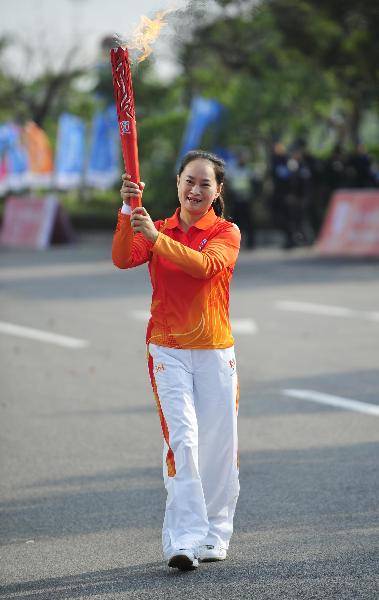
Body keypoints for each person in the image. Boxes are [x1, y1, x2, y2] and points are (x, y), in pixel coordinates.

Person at [112, 150, 241, 571]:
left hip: (216, 353)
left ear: (217, 191)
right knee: (183, 442)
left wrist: (155, 237)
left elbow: (205, 267)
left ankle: (215, 534)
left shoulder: (226, 232)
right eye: (190, 180)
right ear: (178, 183)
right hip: (167, 349)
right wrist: (129, 209)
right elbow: (122, 257)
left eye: (205, 183)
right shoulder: (159, 226)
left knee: (219, 449)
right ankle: (183, 539)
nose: (195, 189)